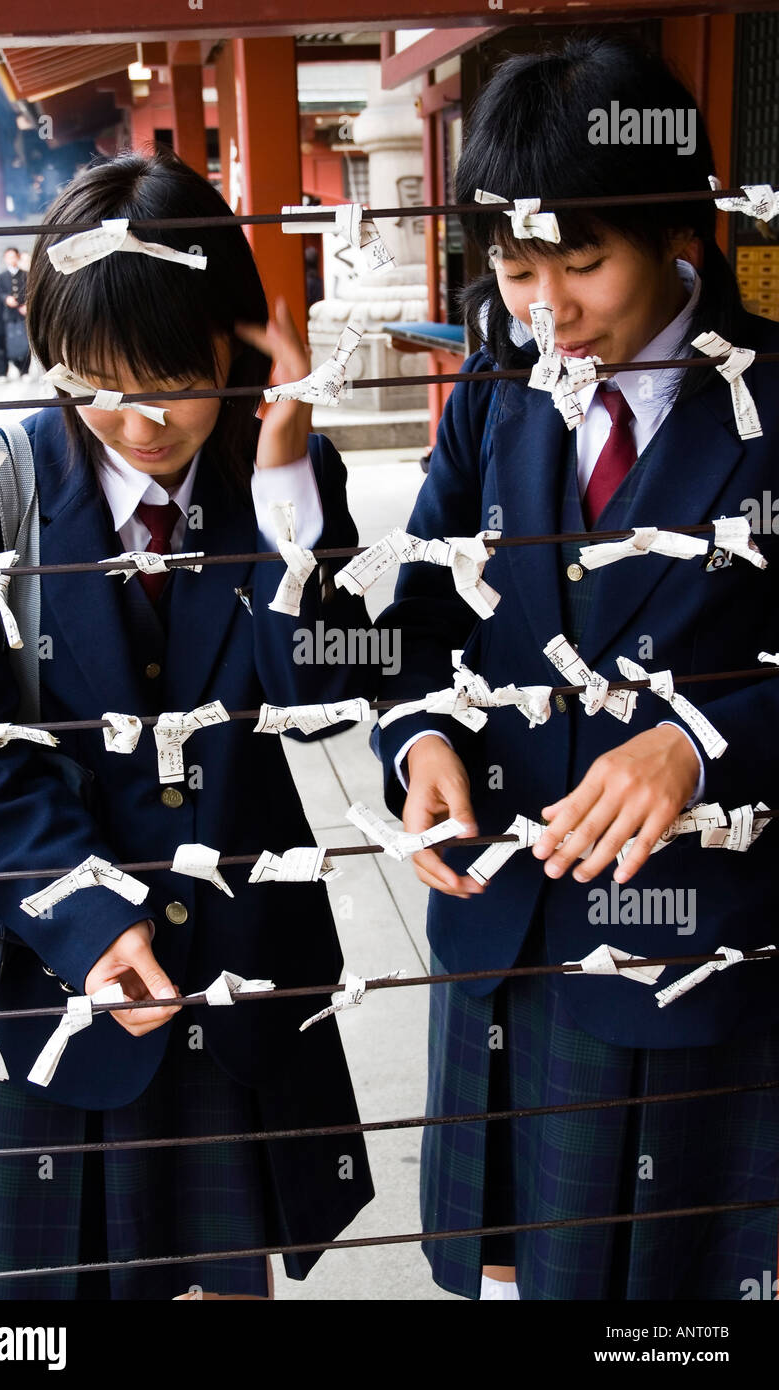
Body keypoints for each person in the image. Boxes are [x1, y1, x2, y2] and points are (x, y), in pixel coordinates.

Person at [0, 147, 377, 1300]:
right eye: (92, 380)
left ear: (237, 337)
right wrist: (85, 912)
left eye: (167, 377)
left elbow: (326, 694)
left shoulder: (285, 476)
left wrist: (282, 497)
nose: (131, 421)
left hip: (236, 970)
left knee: (233, 1277)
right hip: (54, 968)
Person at [373, 35, 779, 1301]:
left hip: (694, 948)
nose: (547, 306)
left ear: (681, 235)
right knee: (512, 1277)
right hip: (504, 929)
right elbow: (419, 610)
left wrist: (702, 742)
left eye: (583, 263)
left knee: (667, 1293)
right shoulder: (497, 391)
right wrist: (418, 738)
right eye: (514, 268)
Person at [0, 246, 30, 378]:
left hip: (23, 313)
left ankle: (25, 370)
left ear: (18, 257)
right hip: (9, 314)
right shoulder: (2, 276)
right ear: (5, 259)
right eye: (8, 257)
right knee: (12, 343)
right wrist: (6, 298)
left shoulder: (25, 274)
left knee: (25, 343)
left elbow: (30, 291)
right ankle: (17, 367)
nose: (11, 259)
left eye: (13, 256)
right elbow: (0, 293)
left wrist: (27, 305)